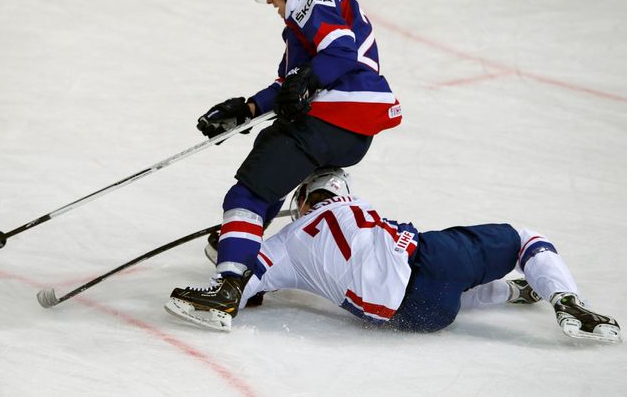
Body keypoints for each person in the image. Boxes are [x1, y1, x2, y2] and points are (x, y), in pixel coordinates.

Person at [167, 0, 403, 318]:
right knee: (271, 182)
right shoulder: (305, 23)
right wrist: (246, 109)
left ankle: (229, 287)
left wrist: (308, 80)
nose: (270, 1)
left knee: (247, 195)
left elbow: (339, 50)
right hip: (353, 133)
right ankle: (248, 268)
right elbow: (290, 84)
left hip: (330, 118)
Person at [166, 168, 622, 344]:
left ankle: (511, 293)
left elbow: (241, 282)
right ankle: (566, 302)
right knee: (524, 239)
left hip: (415, 315)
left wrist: (226, 253)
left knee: (446, 296)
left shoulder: (283, 244)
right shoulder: (354, 207)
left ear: (302, 201)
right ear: (341, 191)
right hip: (430, 260)